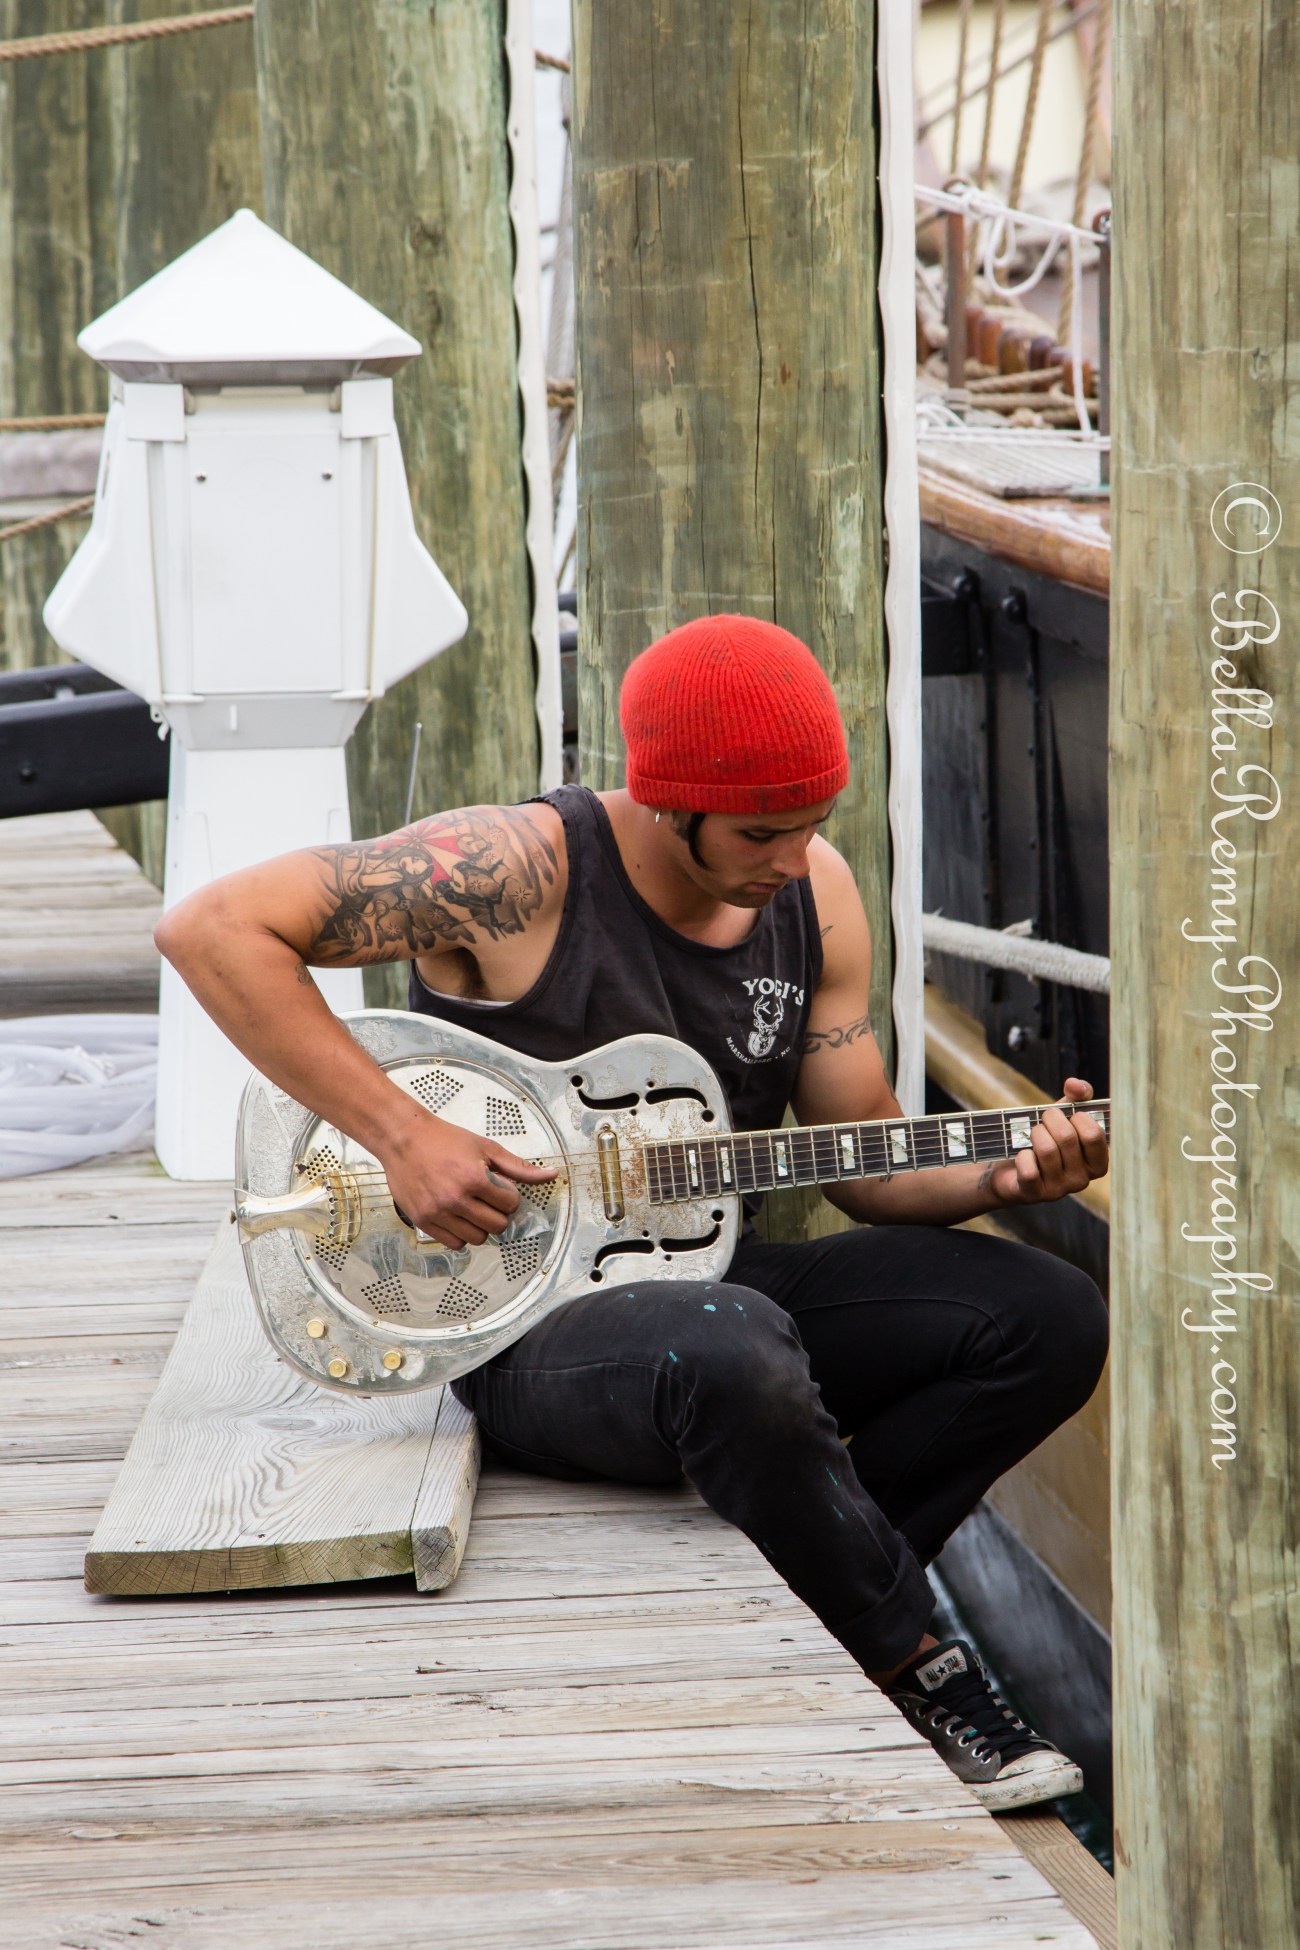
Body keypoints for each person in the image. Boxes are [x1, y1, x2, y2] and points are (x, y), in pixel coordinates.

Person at [156, 613, 1110, 1814]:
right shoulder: (514, 873)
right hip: (519, 1326)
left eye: (812, 822)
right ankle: (907, 1662)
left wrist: (1002, 1178)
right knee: (729, 1342)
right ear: (666, 804)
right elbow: (212, 930)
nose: (792, 855)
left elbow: (863, 1158)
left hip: (709, 1277)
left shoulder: (815, 890)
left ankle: (820, 1590)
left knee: (1050, 1315)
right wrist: (403, 1135)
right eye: (762, 830)